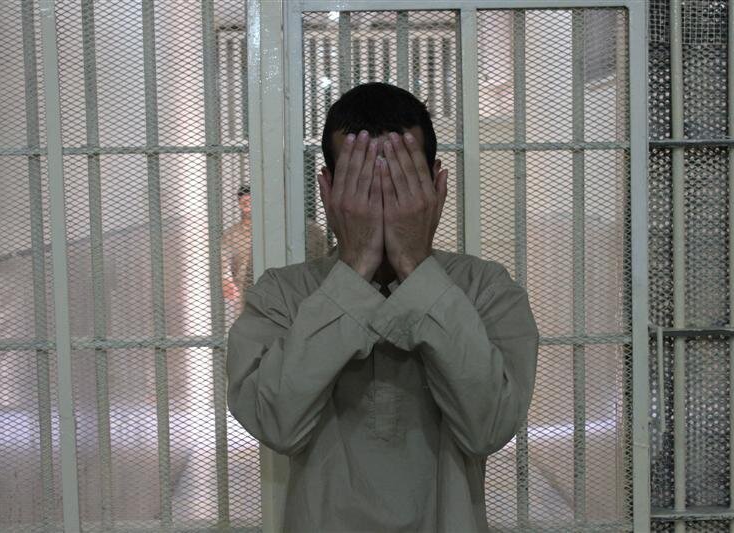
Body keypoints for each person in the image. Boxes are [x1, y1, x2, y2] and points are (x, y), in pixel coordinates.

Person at [226, 82, 539, 532]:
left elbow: (488, 428)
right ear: (328, 190)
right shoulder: (283, 294)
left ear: (436, 185)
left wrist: (416, 265)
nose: (383, 205)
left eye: (401, 184)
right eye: (361, 186)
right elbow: (276, 424)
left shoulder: (485, 289)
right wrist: (354, 268)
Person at [222, 184, 328, 311]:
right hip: (252, 296)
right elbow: (224, 262)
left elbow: (323, 264)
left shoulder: (311, 231)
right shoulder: (234, 234)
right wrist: (226, 280)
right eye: (244, 202)